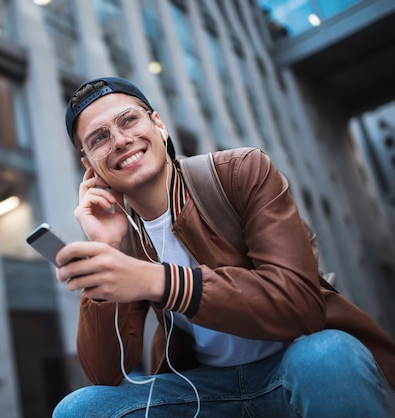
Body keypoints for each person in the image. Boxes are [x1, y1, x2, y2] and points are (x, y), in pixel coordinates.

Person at [51, 76, 395, 417]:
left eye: (128, 120)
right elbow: (105, 374)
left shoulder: (241, 171)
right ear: (89, 166)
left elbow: (300, 303)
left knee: (328, 354)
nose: (121, 140)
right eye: (99, 139)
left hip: (294, 366)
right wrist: (105, 247)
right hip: (206, 393)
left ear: (158, 124)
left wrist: (161, 282)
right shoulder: (122, 234)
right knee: (79, 409)